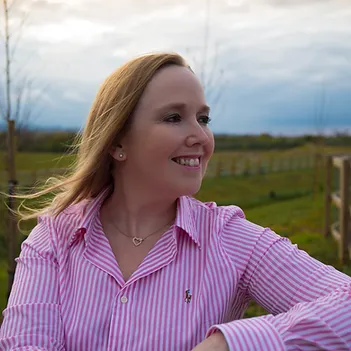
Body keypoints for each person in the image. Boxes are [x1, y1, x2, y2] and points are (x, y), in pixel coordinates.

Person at [0, 52, 350, 351]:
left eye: (203, 118)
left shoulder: (231, 240)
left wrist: (230, 342)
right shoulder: (55, 238)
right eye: (173, 118)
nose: (200, 136)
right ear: (117, 142)